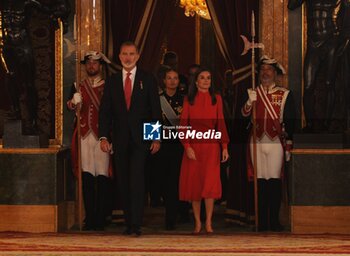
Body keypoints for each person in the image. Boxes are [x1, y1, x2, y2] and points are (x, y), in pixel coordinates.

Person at [99, 41, 161, 236]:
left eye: (131, 54)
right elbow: (105, 112)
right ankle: (128, 222)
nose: (128, 57)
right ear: (119, 57)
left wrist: (156, 138)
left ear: (137, 56)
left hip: (141, 140)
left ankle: (136, 224)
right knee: (123, 182)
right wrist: (103, 137)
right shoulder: (112, 81)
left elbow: (155, 110)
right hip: (119, 139)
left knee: (137, 180)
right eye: (124, 54)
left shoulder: (148, 79)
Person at [241, 56, 295, 232]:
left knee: (273, 180)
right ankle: (262, 222)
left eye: (269, 69)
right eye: (262, 69)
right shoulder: (253, 92)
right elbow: (243, 116)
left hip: (275, 143)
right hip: (256, 141)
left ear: (275, 73)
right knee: (260, 181)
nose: (265, 72)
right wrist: (249, 101)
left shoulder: (284, 94)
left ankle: (274, 221)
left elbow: (290, 120)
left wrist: (288, 143)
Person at [179, 68, 229, 234]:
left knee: (210, 185)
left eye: (209, 78)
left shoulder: (217, 99)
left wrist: (224, 147)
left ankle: (208, 222)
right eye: (202, 78)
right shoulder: (189, 100)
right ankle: (197, 222)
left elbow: (221, 124)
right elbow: (183, 125)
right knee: (195, 186)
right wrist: (187, 147)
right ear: (196, 81)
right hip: (193, 147)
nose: (206, 81)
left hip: (211, 147)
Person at [288, 0, 350, 131]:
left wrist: (345, 41)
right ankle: (310, 124)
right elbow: (291, 5)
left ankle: (327, 124)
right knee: (309, 86)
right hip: (313, 43)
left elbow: (347, 16)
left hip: (332, 41)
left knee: (329, 84)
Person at [67, 51, 112, 231]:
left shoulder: (108, 86)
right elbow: (71, 107)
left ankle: (101, 217)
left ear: (100, 66)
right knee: (86, 176)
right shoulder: (78, 85)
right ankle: (90, 218)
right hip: (84, 135)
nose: (91, 66)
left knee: (102, 175)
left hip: (102, 135)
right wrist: (73, 102)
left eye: (94, 63)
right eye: (88, 63)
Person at [156, 68, 185, 230]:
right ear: (164, 81)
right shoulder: (157, 99)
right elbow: (152, 118)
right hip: (162, 145)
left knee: (176, 181)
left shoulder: (185, 100)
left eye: (175, 78)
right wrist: (152, 140)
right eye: (169, 78)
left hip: (180, 145)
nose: (172, 81)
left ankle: (174, 216)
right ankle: (170, 213)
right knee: (164, 181)